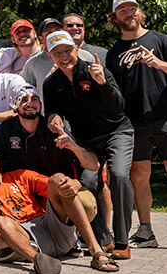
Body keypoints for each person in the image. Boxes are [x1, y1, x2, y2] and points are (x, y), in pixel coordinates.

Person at [106, 0, 167, 253]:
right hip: (133, 122)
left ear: (141, 13)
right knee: (138, 176)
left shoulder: (160, 40)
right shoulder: (114, 52)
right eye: (123, 11)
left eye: (133, 9)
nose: (129, 14)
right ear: (115, 18)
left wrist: (158, 63)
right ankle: (146, 230)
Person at [0, 140, 118, 274]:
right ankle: (38, 260)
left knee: (57, 178)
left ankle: (96, 252)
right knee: (1, 221)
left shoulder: (20, 176)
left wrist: (75, 183)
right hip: (27, 239)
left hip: (50, 226)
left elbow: (57, 185)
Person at [42, 30, 135, 259]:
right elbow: (53, 110)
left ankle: (123, 242)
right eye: (57, 53)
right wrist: (53, 117)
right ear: (49, 54)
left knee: (120, 175)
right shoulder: (51, 84)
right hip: (86, 141)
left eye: (67, 50)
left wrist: (102, 83)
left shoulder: (96, 70)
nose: (64, 56)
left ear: (76, 48)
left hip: (116, 131)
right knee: (87, 183)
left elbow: (118, 107)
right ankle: (104, 240)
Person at [0, 84, 114, 250]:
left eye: (34, 99)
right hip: (25, 195)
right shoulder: (6, 130)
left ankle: (78, 239)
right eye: (23, 100)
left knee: (86, 203)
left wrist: (73, 148)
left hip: (59, 191)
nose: (29, 103)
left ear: (41, 105)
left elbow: (93, 165)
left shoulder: (55, 129)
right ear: (15, 105)